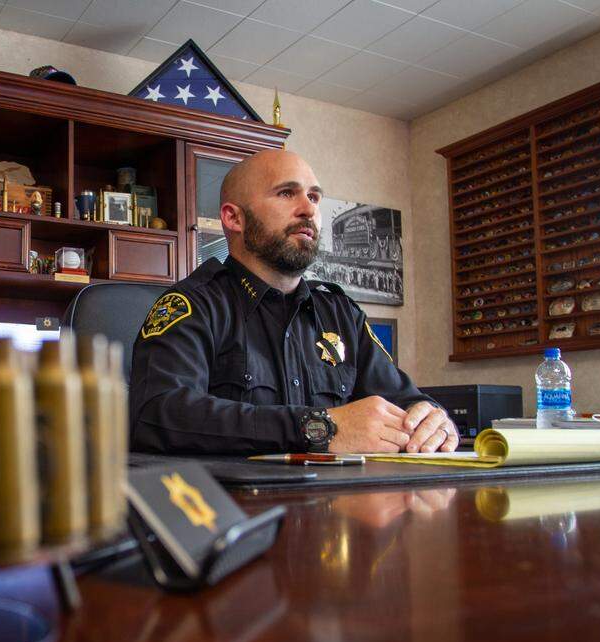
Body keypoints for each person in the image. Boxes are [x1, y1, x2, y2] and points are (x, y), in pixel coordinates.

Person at [129, 149, 457, 455]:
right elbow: (157, 413)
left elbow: (406, 401)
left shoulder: (341, 313)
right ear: (233, 218)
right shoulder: (193, 305)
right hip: (235, 497)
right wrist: (318, 427)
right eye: (287, 193)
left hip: (341, 496)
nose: (309, 209)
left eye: (313, 196)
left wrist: (432, 420)